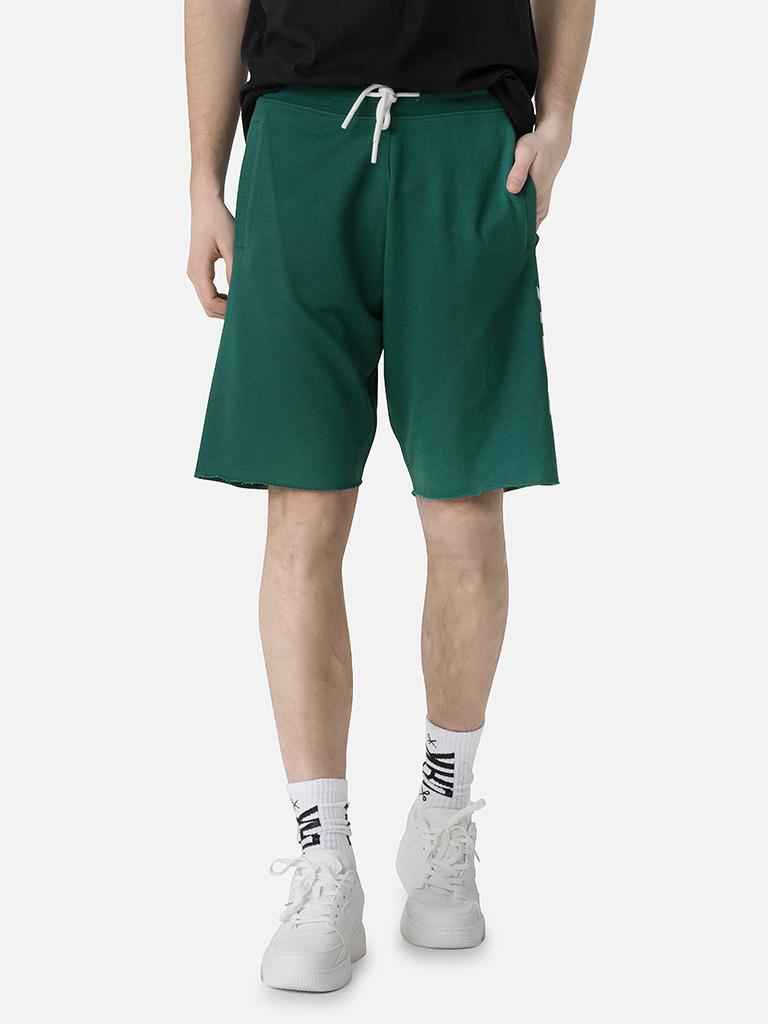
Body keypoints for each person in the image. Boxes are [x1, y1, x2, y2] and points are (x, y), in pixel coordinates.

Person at [185, 0, 595, 992]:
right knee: (304, 510)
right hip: (300, 135)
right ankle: (324, 860)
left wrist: (559, 116)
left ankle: (443, 820)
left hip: (468, 138)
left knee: (464, 506)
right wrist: (202, 176)